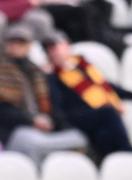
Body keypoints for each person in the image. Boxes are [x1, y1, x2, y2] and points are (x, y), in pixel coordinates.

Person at [43, 30, 132, 161]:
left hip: (92, 115)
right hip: (74, 116)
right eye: (50, 49)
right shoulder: (52, 74)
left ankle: (111, 161)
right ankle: (129, 150)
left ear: (67, 45)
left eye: (56, 47)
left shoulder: (82, 65)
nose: (54, 52)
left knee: (103, 134)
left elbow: (107, 86)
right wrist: (49, 76)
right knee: (108, 112)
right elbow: (56, 103)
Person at [0, 23, 86, 165]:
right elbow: (3, 111)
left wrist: (52, 122)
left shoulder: (38, 73)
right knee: (33, 142)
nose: (16, 45)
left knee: (79, 136)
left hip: (44, 127)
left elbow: (54, 106)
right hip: (15, 130)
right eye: (12, 41)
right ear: (6, 44)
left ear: (29, 45)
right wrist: (32, 121)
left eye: (21, 42)